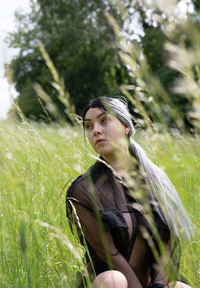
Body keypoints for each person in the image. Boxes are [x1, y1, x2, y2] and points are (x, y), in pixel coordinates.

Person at [66, 96, 194, 288]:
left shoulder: (155, 180)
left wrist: (158, 286)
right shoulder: (84, 190)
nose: (96, 131)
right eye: (89, 126)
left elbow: (165, 244)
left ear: (126, 127)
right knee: (114, 280)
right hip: (109, 282)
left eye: (104, 121)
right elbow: (110, 256)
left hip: (152, 282)